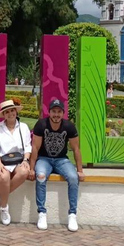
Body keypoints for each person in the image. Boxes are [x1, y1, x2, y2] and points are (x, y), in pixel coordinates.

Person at [29, 98, 86, 232]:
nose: (56, 114)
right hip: (44, 159)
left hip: (62, 160)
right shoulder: (41, 125)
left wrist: (80, 170)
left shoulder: (69, 127)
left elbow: (76, 149)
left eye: (59, 112)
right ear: (49, 112)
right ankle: (42, 213)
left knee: (73, 178)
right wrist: (31, 169)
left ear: (63, 113)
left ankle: (72, 214)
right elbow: (35, 148)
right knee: (41, 176)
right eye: (53, 111)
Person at [0, 99, 32, 225]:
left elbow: (28, 146)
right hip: (2, 160)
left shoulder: (23, 127)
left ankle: (1, 196)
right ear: (4, 115)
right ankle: (4, 207)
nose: (10, 114)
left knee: (24, 172)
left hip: (19, 160)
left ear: (16, 111)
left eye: (12, 110)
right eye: (7, 112)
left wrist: (26, 160)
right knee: (3, 177)